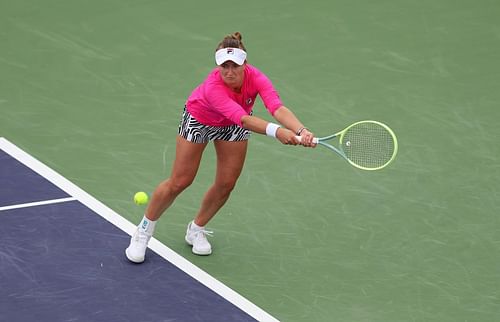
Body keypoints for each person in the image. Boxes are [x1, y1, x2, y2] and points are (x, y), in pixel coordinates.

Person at [126, 32, 315, 262]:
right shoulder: (213, 87)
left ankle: (196, 229)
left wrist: (301, 131)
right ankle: (143, 231)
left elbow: (276, 107)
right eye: (223, 66)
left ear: (244, 63)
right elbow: (243, 119)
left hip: (232, 126)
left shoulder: (257, 78)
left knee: (226, 184)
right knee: (180, 181)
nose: (229, 71)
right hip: (200, 120)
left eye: (234, 65)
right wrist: (278, 132)